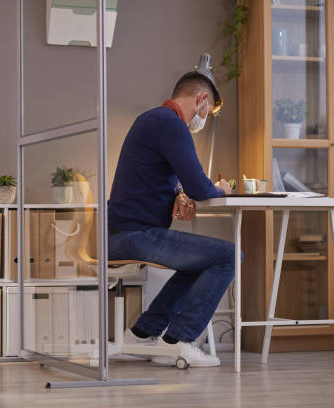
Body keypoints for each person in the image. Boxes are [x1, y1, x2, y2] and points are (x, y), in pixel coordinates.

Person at [108, 69, 234, 367]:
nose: (204, 118)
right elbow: (200, 187)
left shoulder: (152, 120)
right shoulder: (171, 124)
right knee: (228, 255)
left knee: (200, 261)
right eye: (208, 111)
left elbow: (168, 177)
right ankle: (179, 341)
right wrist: (220, 188)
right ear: (202, 99)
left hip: (121, 234)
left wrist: (179, 194)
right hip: (134, 236)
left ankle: (141, 333)